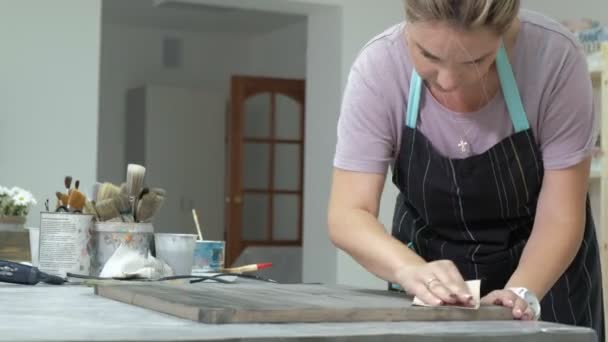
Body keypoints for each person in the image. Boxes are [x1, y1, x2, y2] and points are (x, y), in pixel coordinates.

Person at [328, 0, 603, 338]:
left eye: (476, 61)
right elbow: (348, 212)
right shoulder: (379, 68)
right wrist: (410, 270)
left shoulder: (554, 59)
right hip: (429, 273)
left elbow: (560, 216)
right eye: (429, 56)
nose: (449, 82)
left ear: (506, 32)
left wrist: (519, 294)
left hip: (544, 276)